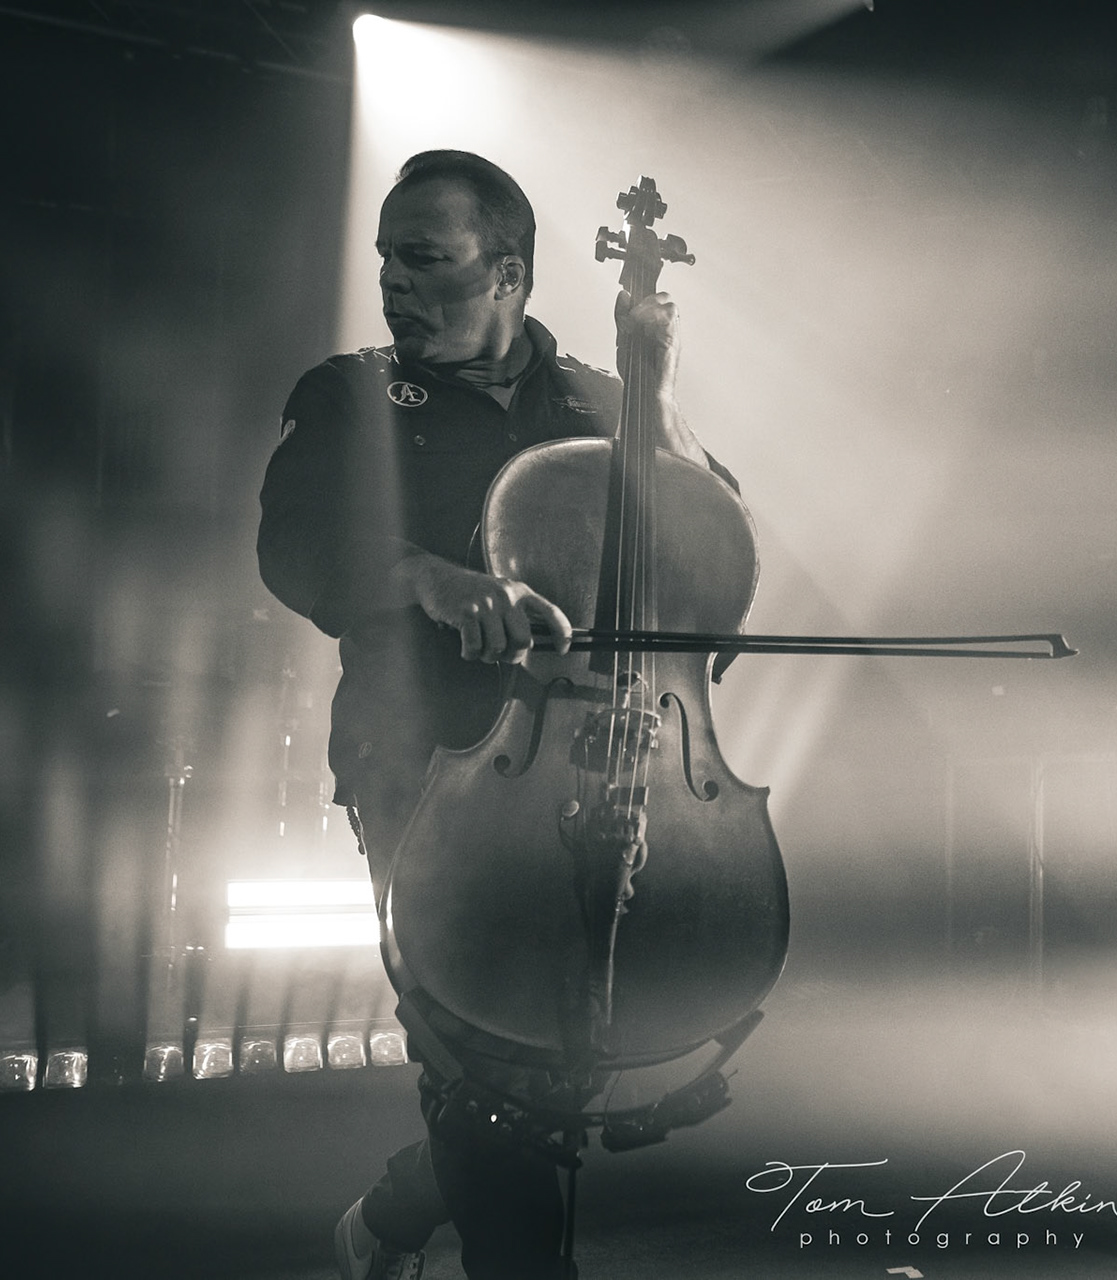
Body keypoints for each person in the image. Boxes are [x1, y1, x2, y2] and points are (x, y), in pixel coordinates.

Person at [257, 149, 733, 1280]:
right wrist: (432, 578)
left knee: (543, 1072)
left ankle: (394, 1214)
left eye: (425, 258)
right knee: (482, 1058)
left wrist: (659, 402)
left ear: (507, 271)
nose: (393, 281)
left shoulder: (604, 403)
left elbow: (714, 547)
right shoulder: (350, 396)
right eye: (387, 258)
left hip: (595, 767)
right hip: (420, 765)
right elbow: (297, 544)